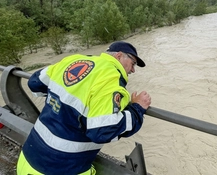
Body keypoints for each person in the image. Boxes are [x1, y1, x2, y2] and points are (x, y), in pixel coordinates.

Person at [17, 41, 151, 175]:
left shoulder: (74, 60)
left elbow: (35, 82)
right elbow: (102, 131)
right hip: (62, 169)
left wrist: (59, 97)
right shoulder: (111, 78)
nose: (133, 70)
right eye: (133, 63)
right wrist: (137, 108)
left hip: (26, 161)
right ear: (119, 56)